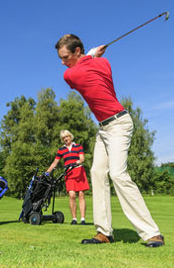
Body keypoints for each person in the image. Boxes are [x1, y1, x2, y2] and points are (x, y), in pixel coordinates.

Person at [55, 34, 164, 247]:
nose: (62, 62)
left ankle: (152, 232)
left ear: (77, 51)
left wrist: (90, 55)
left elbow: (74, 71)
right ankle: (104, 232)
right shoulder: (103, 62)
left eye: (65, 57)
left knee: (117, 174)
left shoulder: (72, 74)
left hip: (119, 124)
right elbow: (87, 64)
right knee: (97, 173)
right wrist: (92, 56)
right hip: (104, 128)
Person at [46, 130, 90, 225]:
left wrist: (78, 161)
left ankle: (82, 219)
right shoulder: (61, 149)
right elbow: (55, 162)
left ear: (70, 136)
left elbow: (82, 158)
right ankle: (74, 219)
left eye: (67, 136)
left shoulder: (78, 146)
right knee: (72, 195)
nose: (65, 139)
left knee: (81, 195)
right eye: (63, 138)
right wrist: (47, 172)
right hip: (69, 173)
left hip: (79, 172)